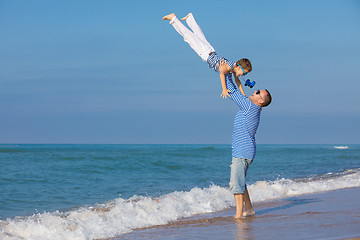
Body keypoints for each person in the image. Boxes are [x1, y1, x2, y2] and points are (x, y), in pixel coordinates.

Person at [218, 60, 272, 218]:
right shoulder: (251, 106)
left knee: (236, 184)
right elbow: (236, 88)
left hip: (243, 152)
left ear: (260, 101)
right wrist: (230, 73)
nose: (254, 92)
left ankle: (238, 215)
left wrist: (225, 71)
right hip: (244, 151)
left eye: (257, 93)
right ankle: (249, 209)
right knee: (240, 181)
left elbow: (232, 92)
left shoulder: (250, 106)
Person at [163, 13, 252, 98]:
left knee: (198, 34)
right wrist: (224, 89)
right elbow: (222, 75)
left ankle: (190, 18)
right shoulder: (227, 67)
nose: (243, 75)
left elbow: (237, 81)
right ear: (239, 67)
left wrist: (243, 93)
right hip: (205, 53)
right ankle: (173, 19)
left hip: (211, 51)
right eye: (244, 73)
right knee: (188, 37)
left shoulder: (234, 68)